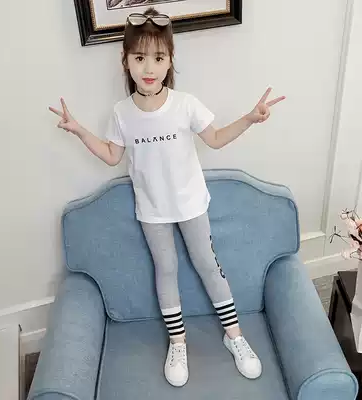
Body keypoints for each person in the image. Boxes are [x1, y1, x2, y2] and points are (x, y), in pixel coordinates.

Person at [49, 7, 285, 388]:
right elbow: (111, 155)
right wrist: (78, 130)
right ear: (125, 60)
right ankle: (178, 343)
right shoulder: (122, 113)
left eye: (158, 58)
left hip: (191, 204)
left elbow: (215, 139)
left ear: (170, 60)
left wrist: (249, 118)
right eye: (139, 57)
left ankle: (235, 336)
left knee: (208, 264)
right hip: (152, 210)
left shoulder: (185, 104)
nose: (149, 67)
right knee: (166, 269)